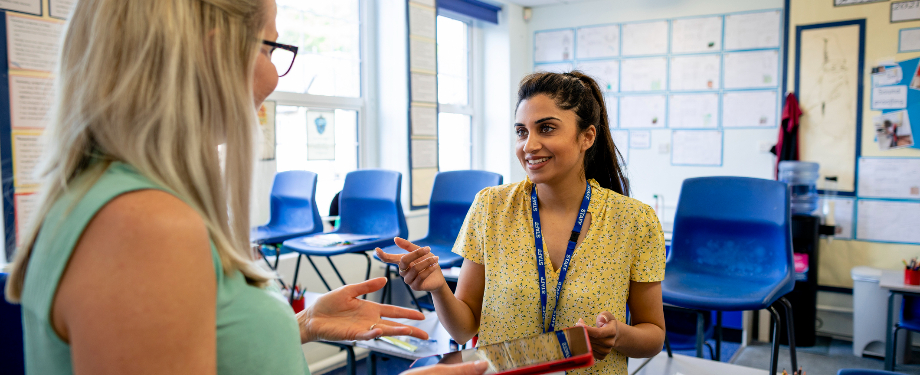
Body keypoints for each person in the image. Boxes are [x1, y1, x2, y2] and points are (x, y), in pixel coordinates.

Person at [3, 0, 485, 374]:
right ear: (215, 50)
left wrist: (301, 325)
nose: (275, 75)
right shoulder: (144, 226)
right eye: (269, 47)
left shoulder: (106, 198)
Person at [378, 71, 667, 375]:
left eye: (546, 128)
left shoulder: (635, 221)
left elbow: (653, 335)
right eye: (521, 131)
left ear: (587, 137)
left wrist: (618, 335)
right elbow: (464, 330)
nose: (529, 145)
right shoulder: (491, 206)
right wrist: (438, 288)